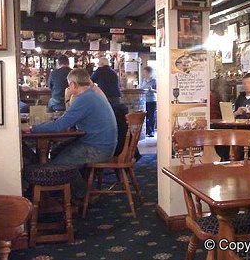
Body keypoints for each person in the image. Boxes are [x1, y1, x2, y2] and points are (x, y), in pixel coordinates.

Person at [21, 69, 117, 200]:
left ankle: (83, 195)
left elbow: (60, 126)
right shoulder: (92, 94)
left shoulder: (84, 99)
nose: (68, 88)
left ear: (73, 85)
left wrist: (31, 128)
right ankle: (65, 193)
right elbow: (67, 121)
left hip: (98, 148)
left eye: (68, 85)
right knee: (55, 152)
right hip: (101, 143)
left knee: (59, 165)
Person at [140, 66, 157, 137]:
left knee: (151, 116)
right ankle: (147, 131)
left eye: (145, 72)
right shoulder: (143, 80)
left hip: (152, 100)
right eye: (144, 72)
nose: (144, 74)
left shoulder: (154, 80)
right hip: (144, 101)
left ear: (149, 73)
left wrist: (152, 89)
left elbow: (157, 90)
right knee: (145, 117)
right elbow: (141, 88)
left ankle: (152, 131)